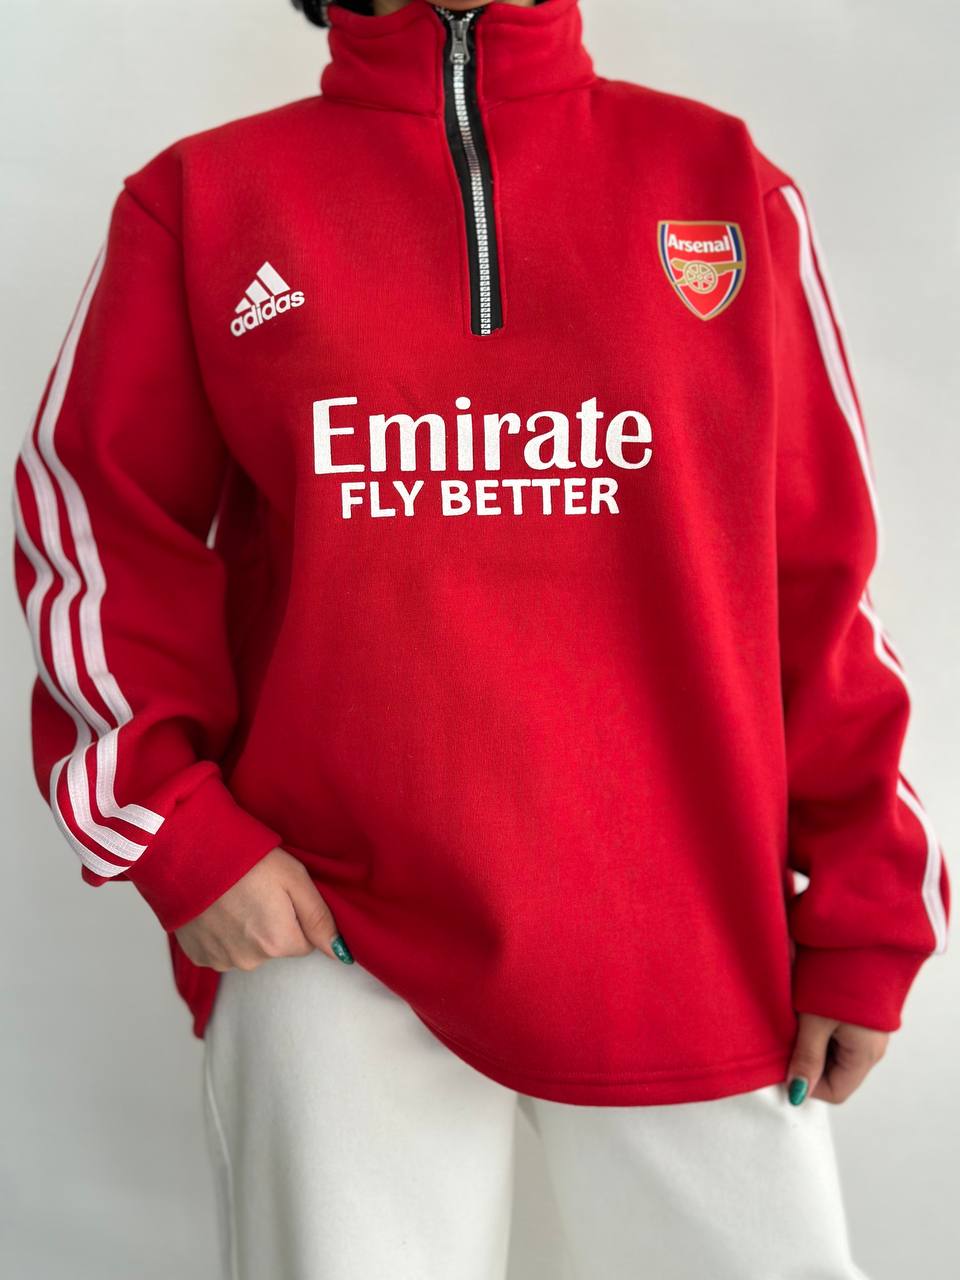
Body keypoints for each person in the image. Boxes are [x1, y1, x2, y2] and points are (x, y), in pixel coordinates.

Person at [11, 0, 950, 1276]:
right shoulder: (205, 201)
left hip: (687, 925)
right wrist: (179, 831)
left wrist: (866, 905)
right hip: (329, 936)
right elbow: (95, 527)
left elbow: (819, 577)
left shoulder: (725, 185)